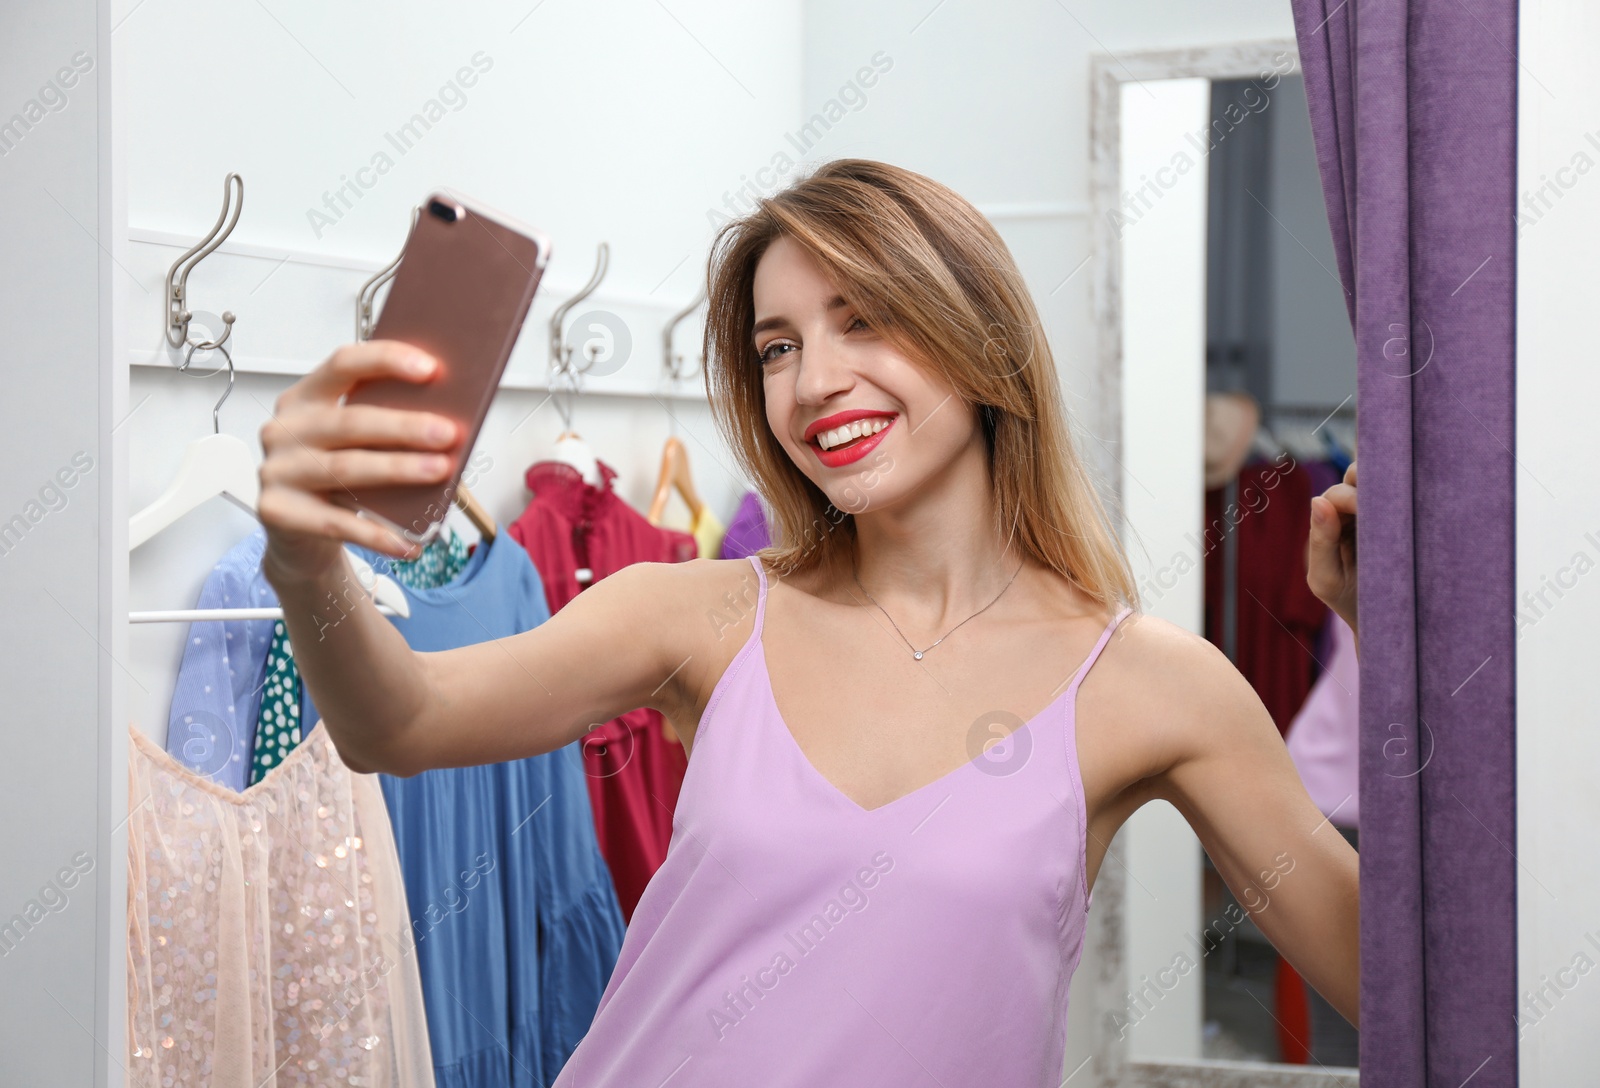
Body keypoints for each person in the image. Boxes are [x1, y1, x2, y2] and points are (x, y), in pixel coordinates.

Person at [257, 159, 1360, 1083]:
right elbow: (394, 723)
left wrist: (1389, 649)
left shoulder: (1153, 685)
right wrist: (303, 556)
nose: (813, 381)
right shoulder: (700, 612)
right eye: (777, 346)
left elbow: (1379, 972)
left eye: (862, 320)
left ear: (980, 340)